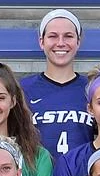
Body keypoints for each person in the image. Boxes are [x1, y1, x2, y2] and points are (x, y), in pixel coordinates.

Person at [21, 9, 93, 158]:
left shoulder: (92, 89)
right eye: (53, 36)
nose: (61, 43)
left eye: (68, 36)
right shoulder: (22, 89)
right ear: (41, 41)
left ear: (78, 42)